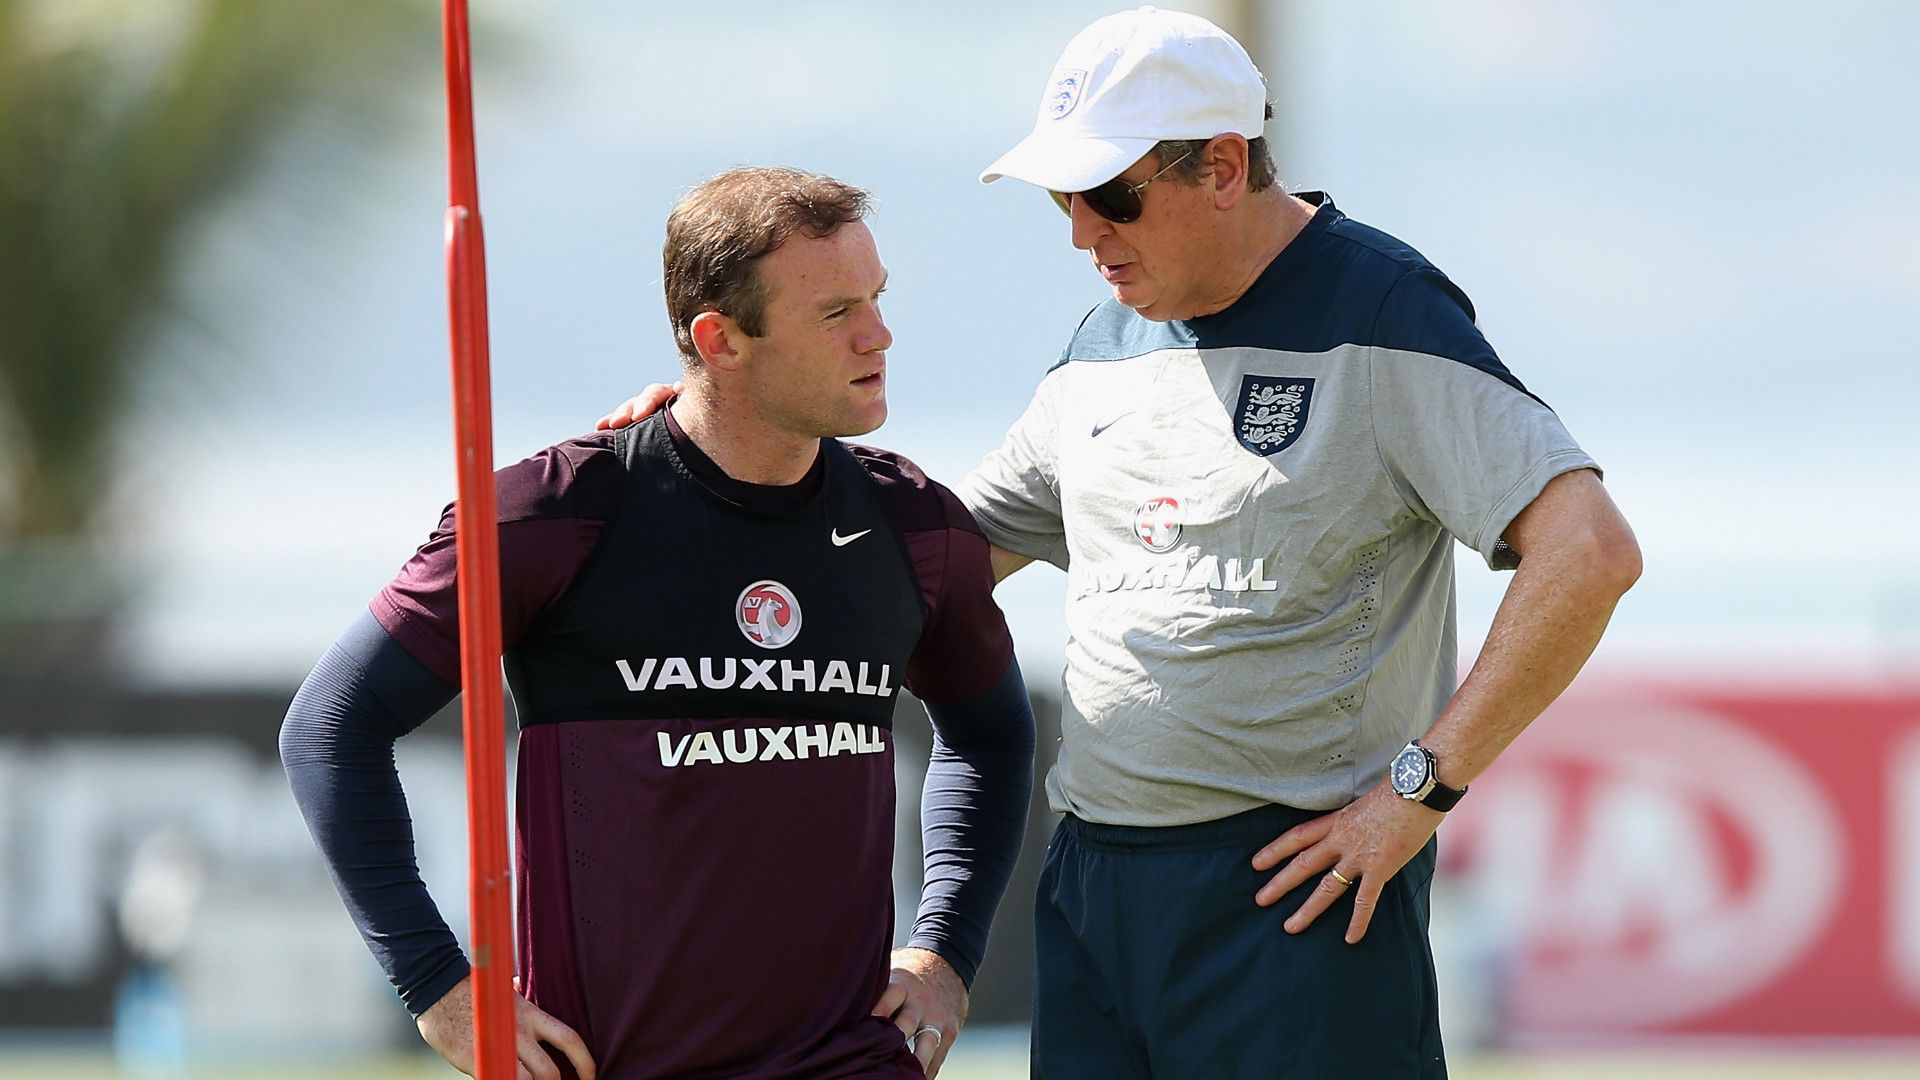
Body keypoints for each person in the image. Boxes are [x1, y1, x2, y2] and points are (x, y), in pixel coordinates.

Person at [602, 8, 1641, 1076]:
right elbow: (929, 556)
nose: (1081, 232)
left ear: (1225, 167)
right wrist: (716, 438)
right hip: (1094, 889)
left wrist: (1416, 795)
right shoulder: (1104, 339)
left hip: (1293, 897)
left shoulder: (1386, 311)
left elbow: (1589, 552)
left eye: (1111, 195)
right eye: (1064, 196)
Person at [280, 167, 1035, 1080]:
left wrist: (944, 950)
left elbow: (990, 734)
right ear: (720, 339)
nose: (880, 335)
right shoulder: (553, 516)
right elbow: (330, 727)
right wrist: (442, 990)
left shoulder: (914, 527)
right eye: (836, 313)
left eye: (876, 298)